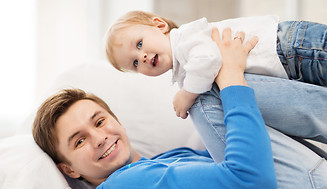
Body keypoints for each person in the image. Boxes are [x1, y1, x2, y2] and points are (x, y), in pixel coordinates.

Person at [33, 27, 327, 189]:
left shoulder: (171, 159)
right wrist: (232, 78)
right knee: (203, 94)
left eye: (99, 122)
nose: (99, 138)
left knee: (205, 86)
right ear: (68, 169)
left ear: (117, 121)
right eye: (79, 140)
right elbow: (252, 180)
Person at [105, 10, 327, 119]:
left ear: (160, 25)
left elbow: (208, 60)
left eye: (140, 44)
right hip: (289, 61)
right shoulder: (183, 64)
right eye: (134, 63)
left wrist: (187, 95)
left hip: (289, 46)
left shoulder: (184, 38)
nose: (142, 57)